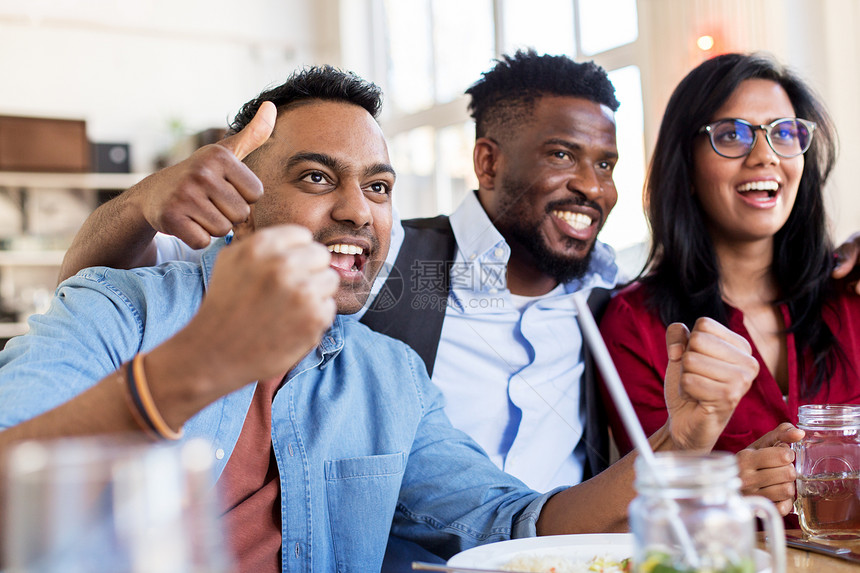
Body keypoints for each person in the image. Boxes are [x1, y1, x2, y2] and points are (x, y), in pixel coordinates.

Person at [0, 65, 758, 571]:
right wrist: (199, 362)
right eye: (316, 176)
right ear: (234, 194)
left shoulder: (387, 376)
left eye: (380, 185)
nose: (357, 210)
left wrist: (683, 437)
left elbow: (512, 524)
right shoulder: (121, 310)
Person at [598, 52, 860, 520]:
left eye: (784, 132)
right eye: (732, 135)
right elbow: (645, 509)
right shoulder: (633, 325)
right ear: (688, 167)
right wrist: (724, 488)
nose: (765, 155)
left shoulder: (850, 296)